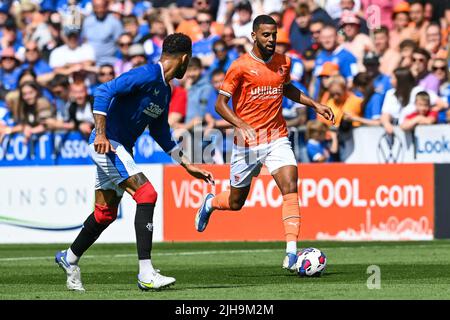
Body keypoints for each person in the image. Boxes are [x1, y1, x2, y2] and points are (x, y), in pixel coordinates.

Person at [54, 33, 214, 292]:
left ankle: (69, 258)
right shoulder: (147, 74)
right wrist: (102, 133)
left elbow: (161, 133)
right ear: (185, 58)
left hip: (118, 148)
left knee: (104, 214)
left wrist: (186, 164)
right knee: (147, 193)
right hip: (107, 144)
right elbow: (103, 90)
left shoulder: (165, 90)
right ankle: (146, 273)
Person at [194, 15, 334, 272]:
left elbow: (286, 88)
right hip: (246, 143)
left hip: (277, 136)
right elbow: (220, 105)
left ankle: (292, 253)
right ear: (254, 36)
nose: (271, 39)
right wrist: (241, 124)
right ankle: (211, 203)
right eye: (266, 35)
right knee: (236, 202)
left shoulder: (284, 61)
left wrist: (315, 104)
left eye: (274, 34)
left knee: (291, 186)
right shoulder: (240, 66)